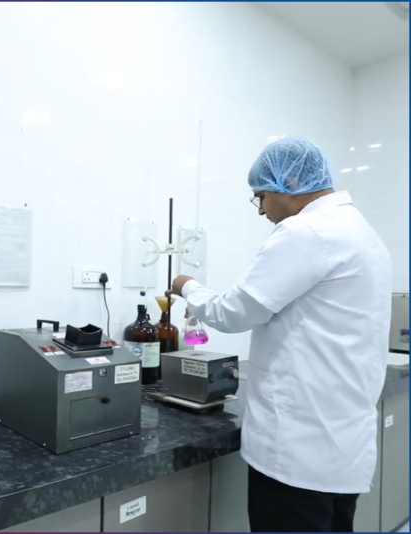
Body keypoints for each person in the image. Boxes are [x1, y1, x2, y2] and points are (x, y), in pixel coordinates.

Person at [168, 137, 392, 532]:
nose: (261, 210)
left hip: (297, 452)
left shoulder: (306, 232)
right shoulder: (360, 231)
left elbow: (233, 312)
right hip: (342, 447)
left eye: (261, 196)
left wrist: (187, 286)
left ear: (288, 182)